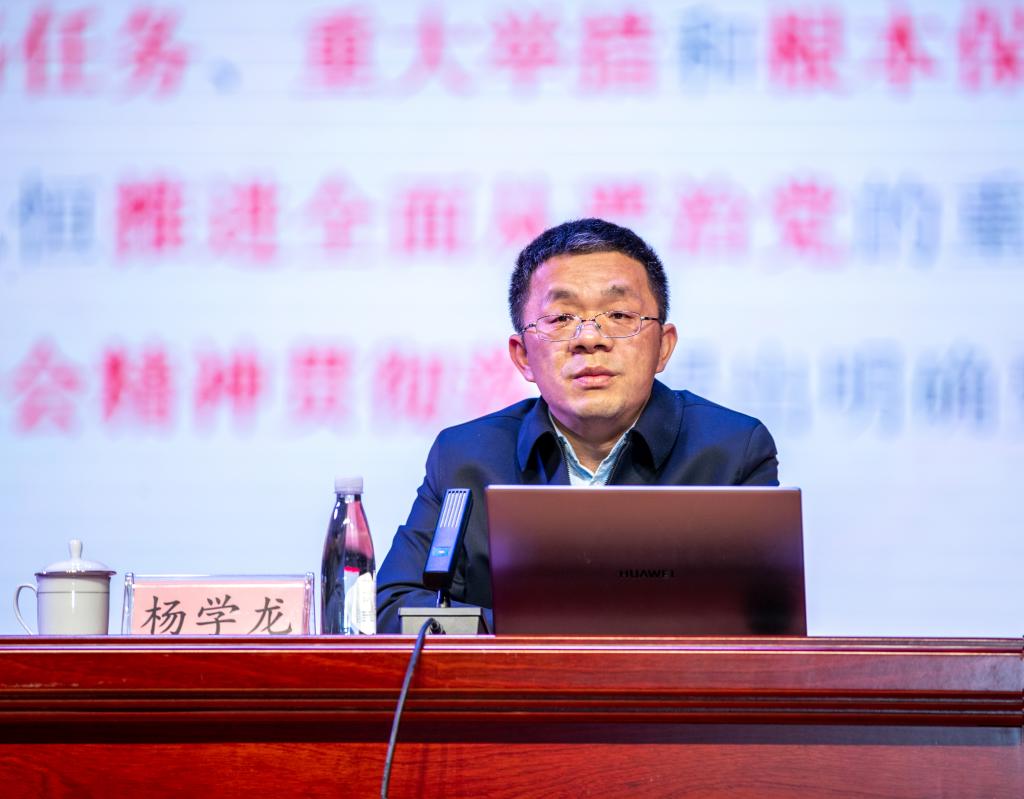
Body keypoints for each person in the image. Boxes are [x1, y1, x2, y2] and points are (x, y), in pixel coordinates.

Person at [376, 218, 778, 633]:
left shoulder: (732, 453)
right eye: (561, 318)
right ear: (523, 356)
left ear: (663, 346)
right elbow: (396, 611)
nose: (589, 338)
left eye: (619, 314)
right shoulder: (466, 457)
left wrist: (546, 633)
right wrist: (547, 639)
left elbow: (764, 627)